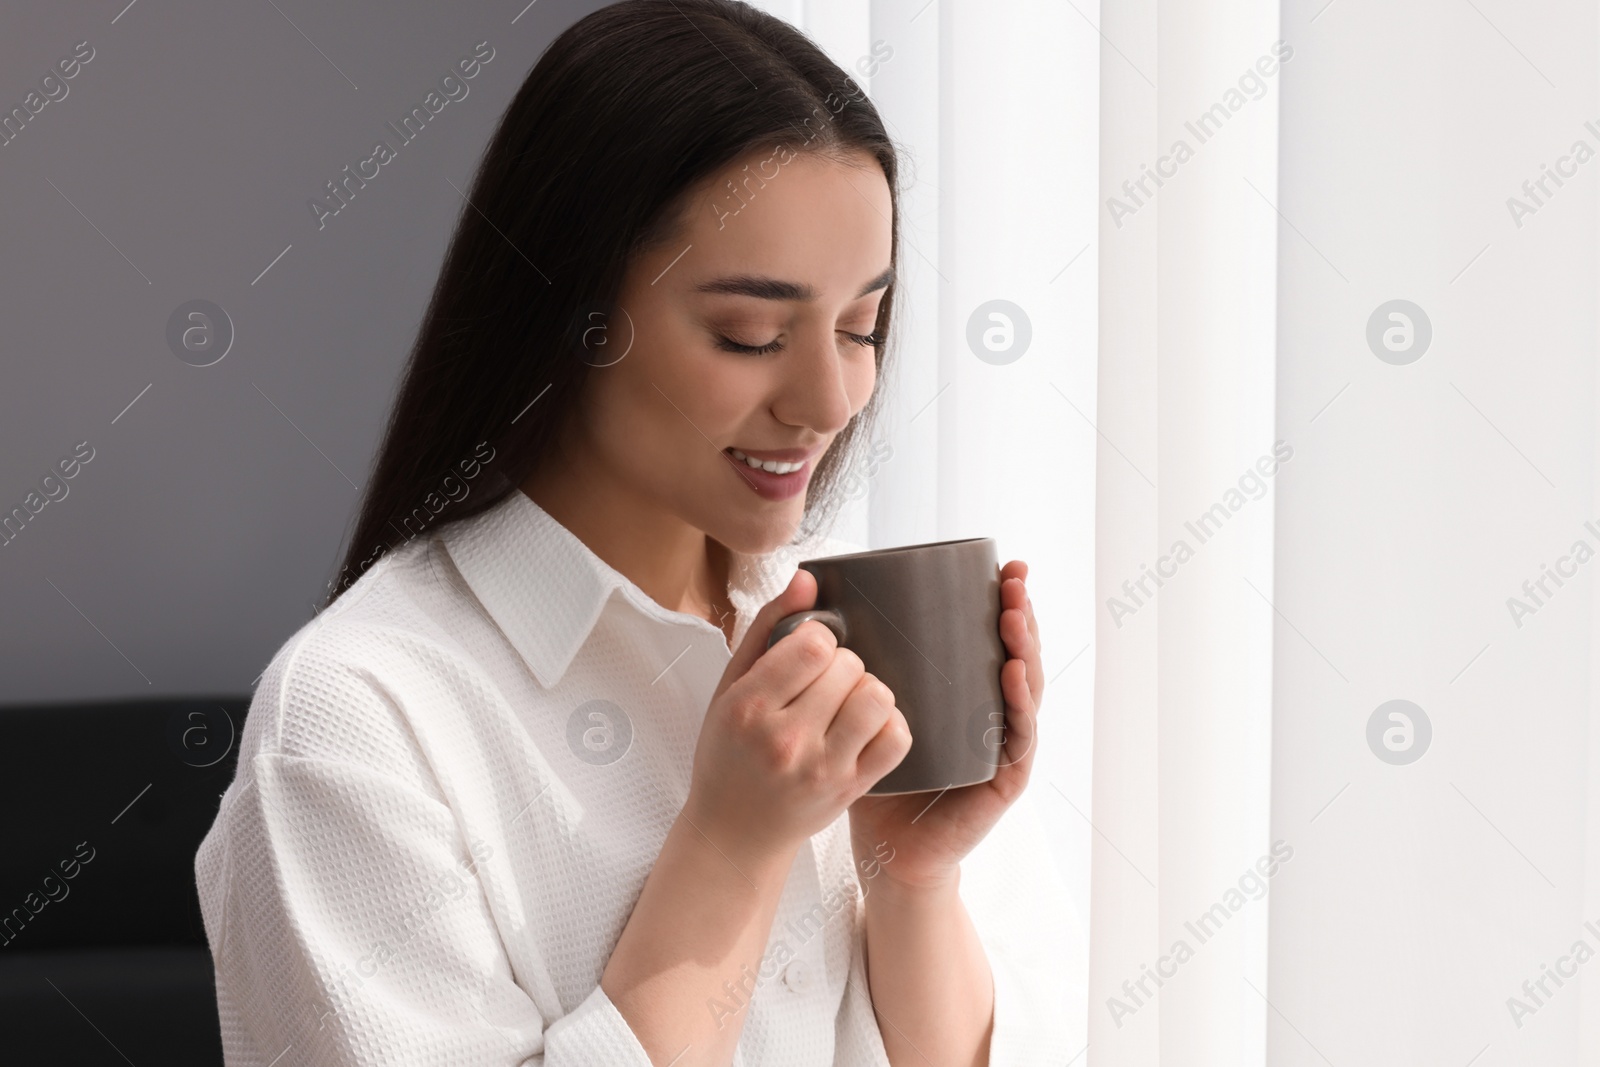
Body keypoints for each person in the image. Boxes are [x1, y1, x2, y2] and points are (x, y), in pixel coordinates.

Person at [195, 2, 1075, 1063]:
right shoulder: (362, 717)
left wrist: (911, 877)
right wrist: (729, 847)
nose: (831, 396)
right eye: (748, 334)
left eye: (861, 326)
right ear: (570, 310)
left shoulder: (841, 644)